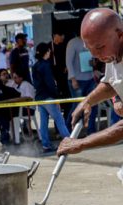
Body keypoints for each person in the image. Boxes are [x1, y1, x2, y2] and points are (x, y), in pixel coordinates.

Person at [58, 8, 123, 157]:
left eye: (99, 47)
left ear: (120, 35)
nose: (96, 55)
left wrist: (82, 143)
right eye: (90, 49)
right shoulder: (112, 53)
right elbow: (110, 84)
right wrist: (87, 101)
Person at [32, 42, 71, 153]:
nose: (50, 52)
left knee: (43, 122)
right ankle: (69, 141)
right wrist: (56, 97)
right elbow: (50, 83)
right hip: (49, 97)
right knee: (59, 119)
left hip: (40, 97)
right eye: (49, 50)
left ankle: (46, 145)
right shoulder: (46, 66)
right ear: (46, 52)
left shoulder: (35, 66)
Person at [65, 33, 98, 133]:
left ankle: (91, 131)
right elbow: (68, 62)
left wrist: (94, 65)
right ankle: (67, 131)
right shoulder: (73, 43)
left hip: (90, 78)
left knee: (93, 104)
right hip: (77, 80)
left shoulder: (91, 40)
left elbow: (94, 57)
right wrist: (73, 79)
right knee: (77, 106)